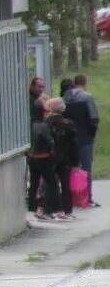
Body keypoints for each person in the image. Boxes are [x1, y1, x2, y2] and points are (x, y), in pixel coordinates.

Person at [64, 74, 100, 206]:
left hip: (68, 139)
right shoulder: (87, 97)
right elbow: (94, 118)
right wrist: (92, 135)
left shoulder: (66, 98)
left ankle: (70, 197)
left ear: (74, 83)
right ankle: (86, 197)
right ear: (85, 83)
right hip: (85, 138)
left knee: (69, 168)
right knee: (86, 168)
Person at [45, 96, 79, 220]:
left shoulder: (45, 124)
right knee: (65, 184)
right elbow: (74, 144)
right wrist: (76, 161)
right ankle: (67, 210)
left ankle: (50, 209)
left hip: (49, 158)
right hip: (65, 159)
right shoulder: (69, 124)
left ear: (49, 108)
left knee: (50, 184)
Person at [27, 100, 60, 219]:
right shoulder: (43, 126)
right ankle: (48, 208)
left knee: (34, 184)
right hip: (44, 158)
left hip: (32, 158)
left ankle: (32, 207)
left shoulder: (30, 124)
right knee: (52, 183)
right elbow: (50, 141)